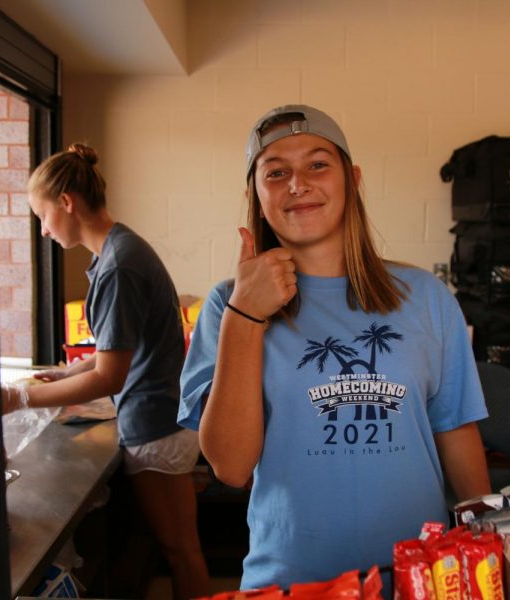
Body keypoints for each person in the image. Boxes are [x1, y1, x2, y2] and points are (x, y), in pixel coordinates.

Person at [178, 105, 491, 592]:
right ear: (256, 198)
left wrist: (488, 548)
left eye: (317, 164)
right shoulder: (226, 305)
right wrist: (246, 317)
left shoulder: (427, 297)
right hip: (290, 583)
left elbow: (455, 430)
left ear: (353, 179)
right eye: (276, 172)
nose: (298, 184)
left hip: (422, 580)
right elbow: (230, 466)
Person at [1, 143, 209, 600]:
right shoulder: (119, 249)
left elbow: (111, 378)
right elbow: (122, 347)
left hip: (157, 424)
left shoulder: (119, 265)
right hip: (158, 417)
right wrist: (72, 369)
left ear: (67, 203)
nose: (42, 230)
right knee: (177, 549)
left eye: (42, 216)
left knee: (181, 552)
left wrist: (19, 399)